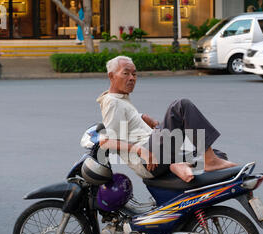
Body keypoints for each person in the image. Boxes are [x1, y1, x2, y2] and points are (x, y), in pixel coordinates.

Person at [97, 56, 237, 183]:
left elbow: (125, 120)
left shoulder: (121, 99)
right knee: (181, 106)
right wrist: (140, 150)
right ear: (111, 76)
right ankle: (208, 162)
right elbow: (105, 142)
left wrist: (142, 117)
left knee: (218, 154)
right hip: (148, 159)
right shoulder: (112, 102)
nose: (132, 78)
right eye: (126, 73)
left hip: (155, 150)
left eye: (134, 74)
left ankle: (181, 165)